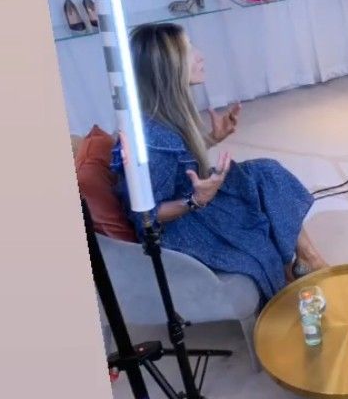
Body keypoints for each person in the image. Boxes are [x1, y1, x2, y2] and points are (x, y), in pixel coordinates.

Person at [112, 23, 326, 300]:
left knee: (267, 172)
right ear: (167, 68)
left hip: (194, 199)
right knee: (254, 242)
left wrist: (212, 138)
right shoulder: (151, 140)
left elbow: (177, 163)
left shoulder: (165, 117)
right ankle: (288, 280)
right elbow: (145, 218)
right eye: (188, 50)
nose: (200, 55)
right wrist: (195, 201)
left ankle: (309, 260)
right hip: (178, 227)